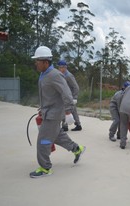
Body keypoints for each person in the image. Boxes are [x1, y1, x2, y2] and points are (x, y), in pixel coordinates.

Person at [29, 46, 86, 178]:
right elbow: (50, 95)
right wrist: (42, 108)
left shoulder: (54, 74)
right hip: (48, 112)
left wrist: (68, 111)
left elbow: (66, 93)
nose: (36, 63)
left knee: (43, 140)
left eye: (38, 60)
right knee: (57, 136)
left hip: (53, 115)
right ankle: (77, 149)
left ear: (45, 62)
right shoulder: (44, 74)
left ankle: (45, 168)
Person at [57, 60, 82, 131]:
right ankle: (78, 125)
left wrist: (75, 97)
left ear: (65, 67)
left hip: (69, 97)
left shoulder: (68, 75)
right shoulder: (62, 75)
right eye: (59, 67)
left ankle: (65, 126)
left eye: (61, 67)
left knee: (65, 110)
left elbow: (76, 87)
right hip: (66, 96)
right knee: (73, 111)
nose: (59, 69)